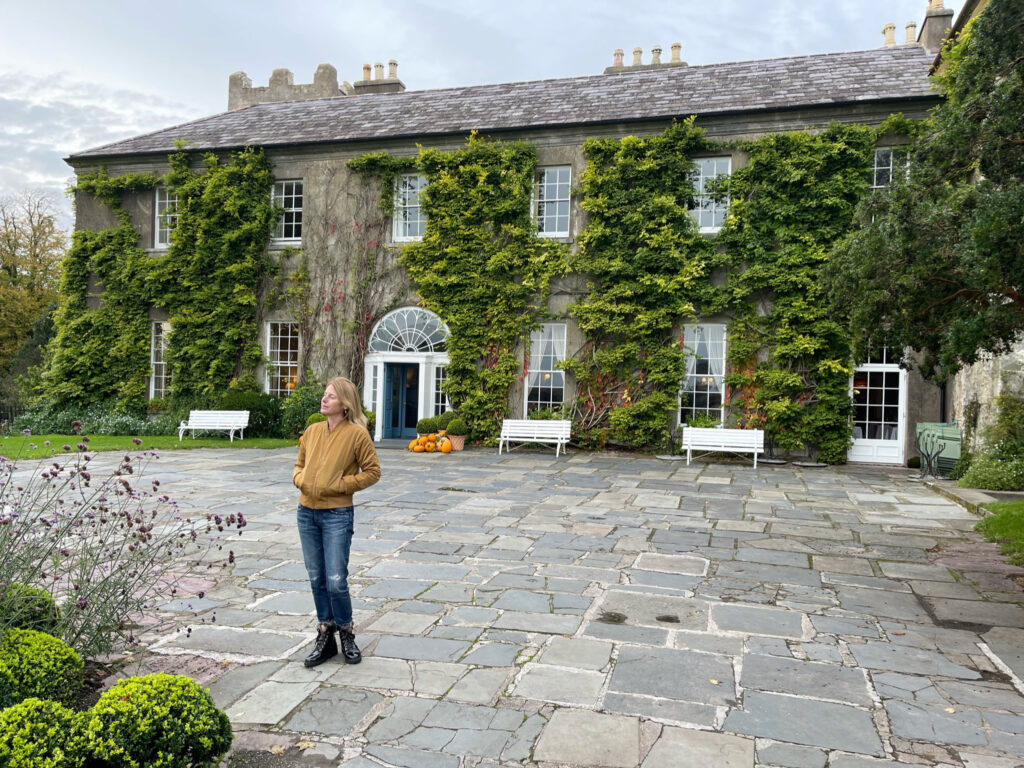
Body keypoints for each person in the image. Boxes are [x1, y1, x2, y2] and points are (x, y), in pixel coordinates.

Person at [293, 376, 380, 667]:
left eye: (331, 396)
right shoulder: (313, 430)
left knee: (335, 580)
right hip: (306, 512)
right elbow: (300, 465)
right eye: (325, 395)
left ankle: (346, 633)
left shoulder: (357, 435)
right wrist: (299, 479)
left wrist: (342, 485)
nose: (324, 399)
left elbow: (372, 471)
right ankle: (325, 634)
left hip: (337, 515)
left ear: (344, 404)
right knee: (316, 577)